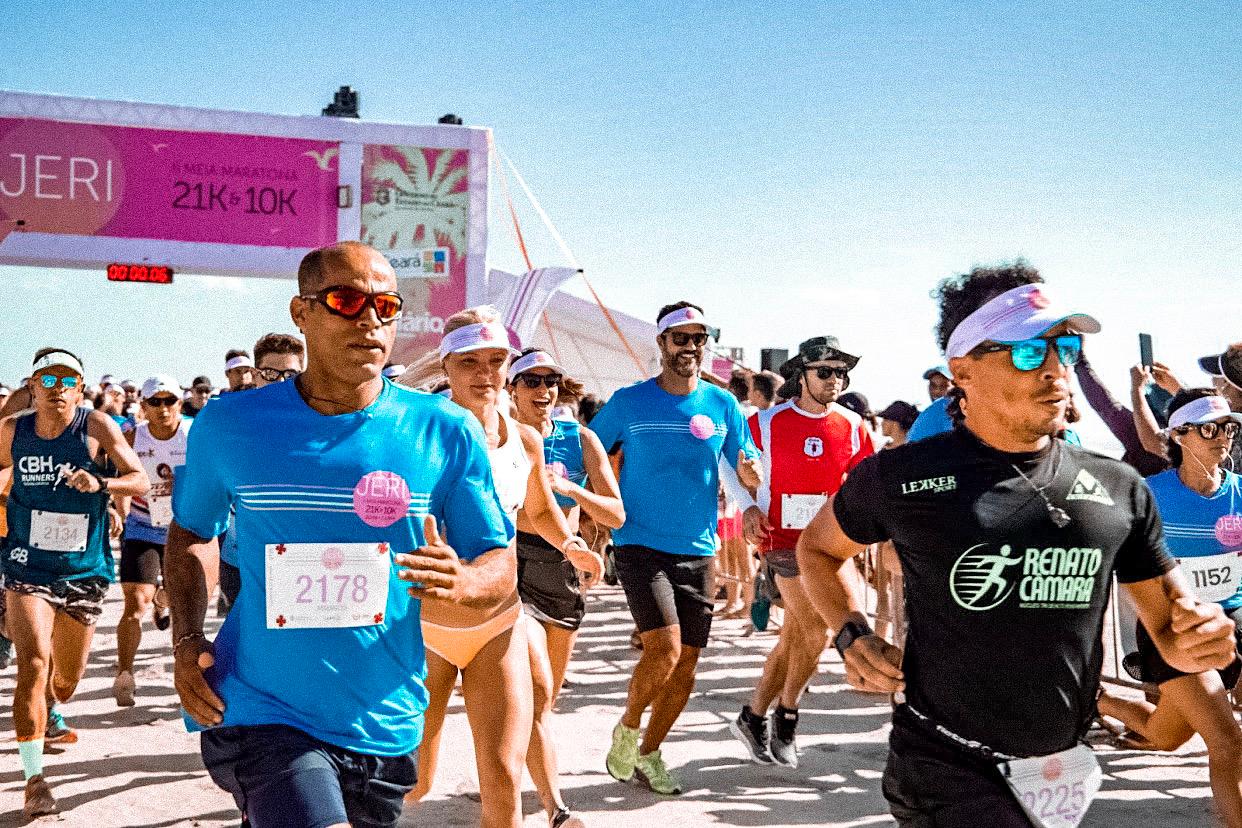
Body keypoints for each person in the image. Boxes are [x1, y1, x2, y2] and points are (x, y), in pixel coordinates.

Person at [796, 265, 1239, 826]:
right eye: (1029, 353)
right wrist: (851, 630)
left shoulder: (1117, 486)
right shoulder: (902, 477)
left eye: (1067, 349)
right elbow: (817, 550)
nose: (1057, 371)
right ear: (963, 371)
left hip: (1062, 767)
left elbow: (1171, 630)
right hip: (943, 762)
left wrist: (1200, 638)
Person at [166, 241, 514, 828]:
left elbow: (498, 561)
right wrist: (184, 640)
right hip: (260, 707)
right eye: (346, 301)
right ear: (301, 314)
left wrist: (464, 579)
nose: (370, 320)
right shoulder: (230, 424)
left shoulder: (444, 429)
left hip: (382, 716)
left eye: (385, 305)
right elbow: (192, 534)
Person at [408, 311, 601, 828]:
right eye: (468, 362)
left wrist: (571, 543)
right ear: (446, 365)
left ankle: (550, 807)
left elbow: (537, 510)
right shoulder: (420, 433)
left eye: (496, 361)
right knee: (415, 782)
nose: (484, 373)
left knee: (502, 779)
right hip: (425, 628)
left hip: (498, 622)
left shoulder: (525, 440)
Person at [593, 301, 762, 795]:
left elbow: (742, 459)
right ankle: (627, 727)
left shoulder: (722, 404)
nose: (690, 347)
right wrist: (584, 503)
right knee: (663, 650)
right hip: (639, 541)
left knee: (687, 662)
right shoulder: (629, 401)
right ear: (662, 343)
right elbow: (589, 446)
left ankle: (650, 753)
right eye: (679, 338)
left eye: (698, 338)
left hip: (699, 546)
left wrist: (751, 493)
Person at [1, 348, 150, 817]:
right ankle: (35, 780)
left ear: (81, 387)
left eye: (68, 379)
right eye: (48, 379)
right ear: (33, 385)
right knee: (33, 662)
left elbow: (140, 479)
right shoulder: (12, 431)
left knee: (64, 682)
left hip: (83, 569)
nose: (58, 388)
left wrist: (102, 485)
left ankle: (53, 701)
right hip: (27, 566)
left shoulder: (97, 427)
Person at [728, 336, 875, 767]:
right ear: (802, 375)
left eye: (841, 373)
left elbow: (865, 483)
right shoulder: (767, 422)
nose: (835, 380)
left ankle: (753, 717)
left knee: (797, 635)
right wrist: (748, 505)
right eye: (825, 372)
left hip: (830, 546)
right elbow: (726, 461)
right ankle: (787, 717)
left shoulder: (852, 425)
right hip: (782, 542)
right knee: (816, 630)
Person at [1098, 390, 1242, 825]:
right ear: (1179, 435)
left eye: (1230, 427)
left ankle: (1097, 701)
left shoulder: (1240, 492)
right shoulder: (1148, 495)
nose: (1224, 438)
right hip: (1173, 630)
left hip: (1234, 623)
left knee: (1166, 737)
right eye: (1209, 428)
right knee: (1226, 742)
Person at [509, 346, 625, 827]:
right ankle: (552, 807)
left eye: (550, 381)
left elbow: (616, 514)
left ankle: (512, 774)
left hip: (562, 567)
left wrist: (573, 490)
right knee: (530, 689)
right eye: (531, 381)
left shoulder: (580, 439)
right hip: (510, 566)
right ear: (511, 389)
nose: (542, 390)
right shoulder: (495, 437)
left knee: (544, 700)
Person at [215, 333, 307, 618]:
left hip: (297, 561)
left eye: (290, 374)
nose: (280, 381)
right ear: (256, 375)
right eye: (270, 373)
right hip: (239, 558)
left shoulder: (318, 428)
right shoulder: (230, 425)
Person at [112, 375, 189, 707]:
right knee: (135, 604)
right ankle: (125, 675)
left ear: (179, 404)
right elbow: (121, 476)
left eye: (169, 400)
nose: (163, 409)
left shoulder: (193, 435)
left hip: (183, 527)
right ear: (142, 407)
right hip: (143, 526)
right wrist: (121, 510)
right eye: (154, 402)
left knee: (175, 596)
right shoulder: (132, 437)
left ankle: (164, 601)